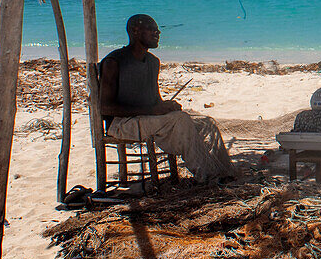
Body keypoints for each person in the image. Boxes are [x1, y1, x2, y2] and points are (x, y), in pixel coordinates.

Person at [100, 14, 236, 182]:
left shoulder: (152, 62)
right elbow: (105, 108)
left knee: (207, 123)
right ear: (135, 31)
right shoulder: (114, 61)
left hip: (146, 118)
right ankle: (207, 176)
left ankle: (222, 172)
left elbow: (154, 101)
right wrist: (153, 110)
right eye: (152, 29)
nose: (158, 33)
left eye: (158, 30)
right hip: (122, 124)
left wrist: (166, 106)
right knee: (181, 120)